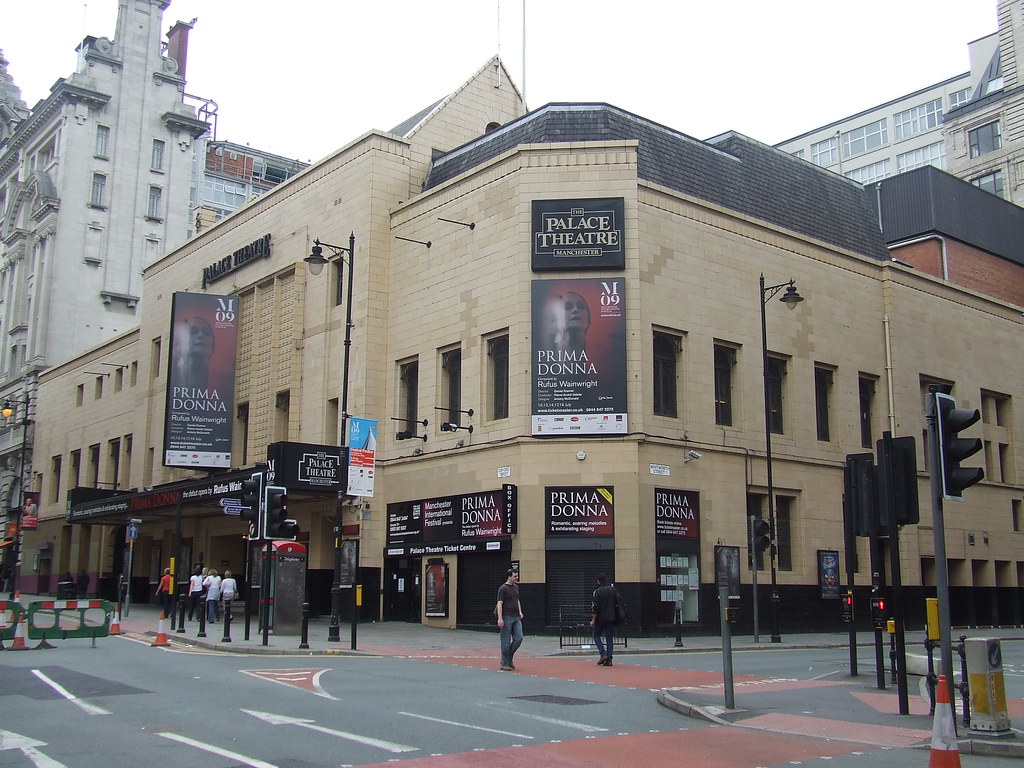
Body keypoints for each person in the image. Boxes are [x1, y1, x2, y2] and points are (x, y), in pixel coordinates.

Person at [173, 314, 215, 389]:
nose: (200, 335)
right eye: (193, 332)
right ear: (180, 342)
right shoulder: (171, 377)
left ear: (213, 345)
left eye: (206, 332)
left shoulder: (225, 381)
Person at [495, 568, 524, 671]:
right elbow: (499, 603)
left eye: (517, 576)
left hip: (516, 617)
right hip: (506, 617)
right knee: (505, 641)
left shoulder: (516, 587)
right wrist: (500, 618)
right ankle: (504, 663)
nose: (517, 578)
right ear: (509, 576)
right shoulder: (503, 589)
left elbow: (517, 600)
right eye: (515, 576)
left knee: (519, 638)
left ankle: (509, 657)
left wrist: (520, 612)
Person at [590, 573, 619, 667]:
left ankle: (603, 654)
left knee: (596, 635)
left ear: (598, 581)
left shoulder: (597, 592)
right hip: (611, 617)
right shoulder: (612, 590)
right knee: (609, 638)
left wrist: (593, 620)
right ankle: (609, 659)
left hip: (600, 618)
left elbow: (595, 607)